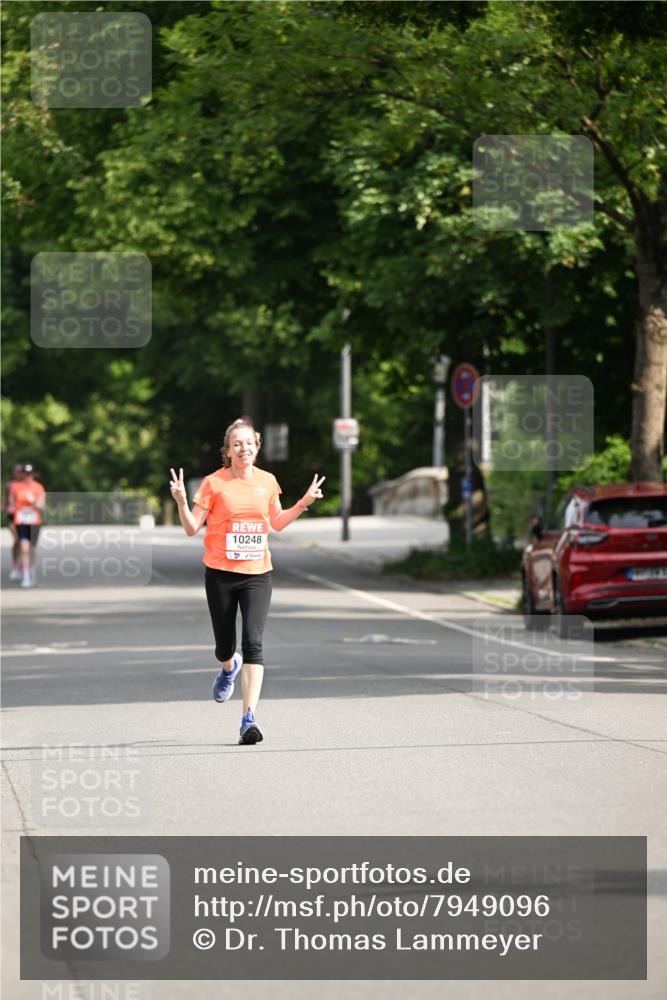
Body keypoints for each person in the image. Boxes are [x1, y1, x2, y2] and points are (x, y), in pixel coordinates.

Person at [170, 418, 325, 745]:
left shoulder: (267, 481)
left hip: (257, 574)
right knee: (225, 647)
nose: (244, 449)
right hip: (220, 574)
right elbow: (191, 527)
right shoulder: (214, 483)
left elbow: (277, 522)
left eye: (249, 444)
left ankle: (248, 719)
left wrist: (303, 503)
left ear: (257, 448)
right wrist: (182, 502)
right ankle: (229, 667)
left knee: (254, 644)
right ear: (228, 451)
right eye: (237, 444)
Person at [8, 464, 46, 588]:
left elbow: (41, 505)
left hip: (34, 521)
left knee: (32, 549)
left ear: (33, 475)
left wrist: (33, 503)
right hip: (21, 521)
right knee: (24, 547)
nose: (28, 477)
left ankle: (31, 570)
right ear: (22, 474)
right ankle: (26, 577)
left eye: (30, 474)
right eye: (26, 474)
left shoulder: (38, 487)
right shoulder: (16, 487)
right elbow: (12, 504)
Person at [3, 463, 24, 581]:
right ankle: (15, 565)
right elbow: (6, 499)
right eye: (16, 471)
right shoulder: (10, 485)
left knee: (23, 542)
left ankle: (22, 566)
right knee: (17, 540)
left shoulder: (27, 485)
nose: (18, 474)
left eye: (20, 471)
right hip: (12, 515)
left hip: (24, 516)